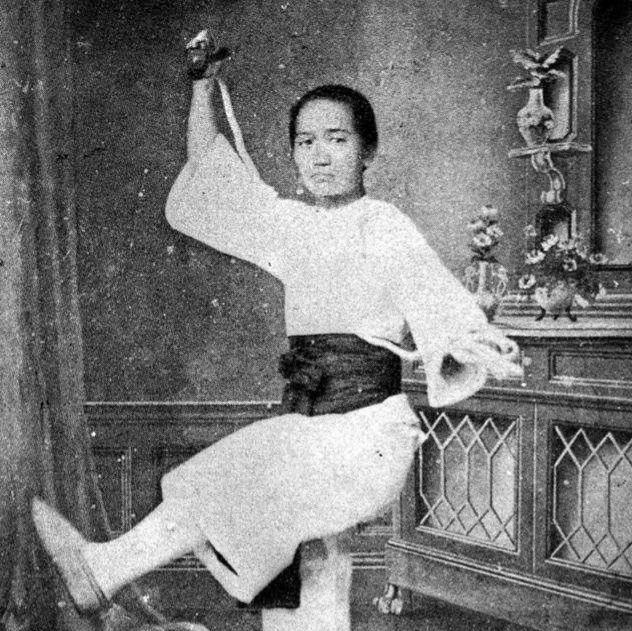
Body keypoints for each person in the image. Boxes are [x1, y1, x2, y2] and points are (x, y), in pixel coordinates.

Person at [32, 30, 522, 631]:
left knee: (229, 477)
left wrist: (470, 337)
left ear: (367, 150)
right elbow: (210, 181)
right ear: (293, 153)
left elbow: (438, 300)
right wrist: (202, 87)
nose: (320, 156)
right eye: (306, 142)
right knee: (313, 566)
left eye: (337, 140)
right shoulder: (290, 226)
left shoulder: (384, 225)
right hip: (310, 430)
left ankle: (101, 570)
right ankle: (104, 572)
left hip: (367, 433)